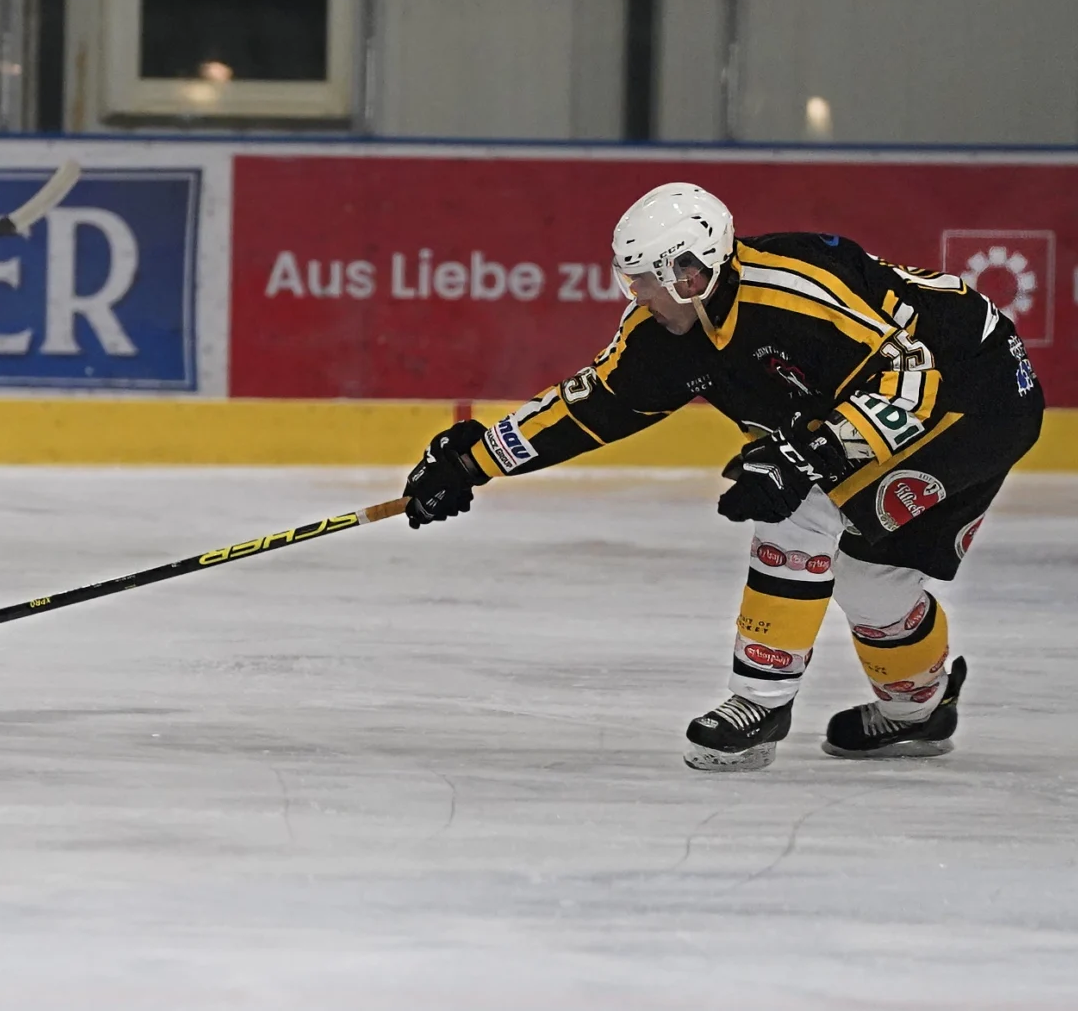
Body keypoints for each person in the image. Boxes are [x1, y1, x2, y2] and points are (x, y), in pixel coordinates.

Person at [400, 183, 1044, 770]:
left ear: (692, 271)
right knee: (872, 582)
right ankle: (919, 710)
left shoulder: (795, 294)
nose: (638, 298)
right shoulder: (663, 333)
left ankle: (760, 702)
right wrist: (471, 462)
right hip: (914, 406)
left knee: (800, 503)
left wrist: (806, 454)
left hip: (975, 397)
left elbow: (909, 374)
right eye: (630, 282)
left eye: (646, 281)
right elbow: (592, 404)